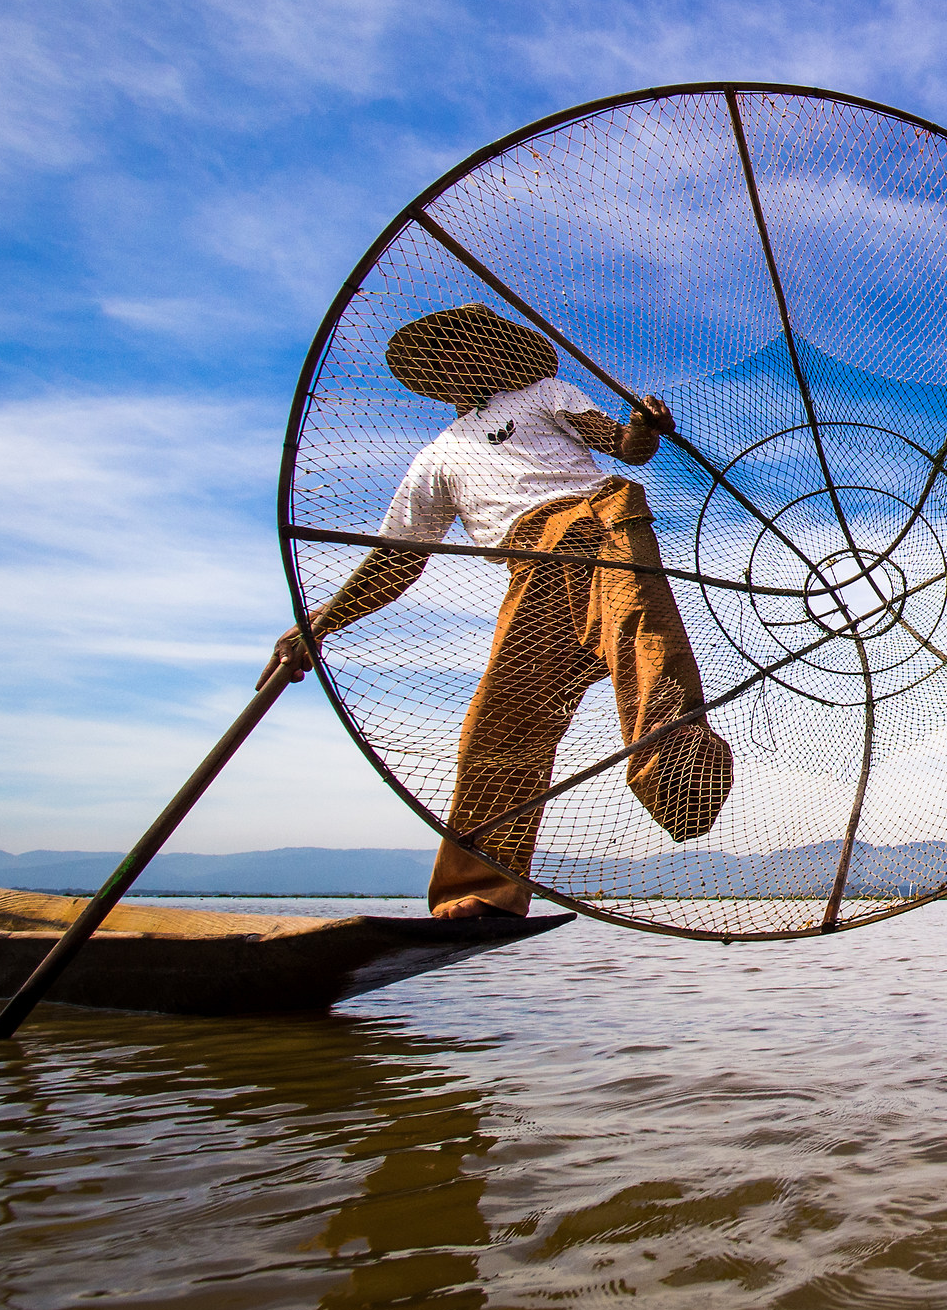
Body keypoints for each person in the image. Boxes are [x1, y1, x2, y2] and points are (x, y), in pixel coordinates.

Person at [266, 303, 734, 918]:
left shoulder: (543, 394)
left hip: (598, 526)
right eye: (447, 354)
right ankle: (482, 891)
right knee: (501, 719)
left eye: (472, 346)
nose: (462, 359)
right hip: (530, 567)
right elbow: (396, 560)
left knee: (643, 643)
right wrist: (319, 623)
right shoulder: (436, 457)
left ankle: (681, 785)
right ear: (438, 373)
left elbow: (622, 445)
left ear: (497, 352)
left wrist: (644, 427)